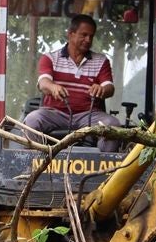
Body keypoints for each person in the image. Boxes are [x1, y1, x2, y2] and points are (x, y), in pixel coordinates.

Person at [22, 13, 122, 152]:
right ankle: (38, 163)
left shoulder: (101, 61)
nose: (88, 40)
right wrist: (53, 87)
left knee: (113, 126)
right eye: (84, 35)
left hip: (89, 115)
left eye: (91, 36)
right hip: (55, 114)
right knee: (32, 120)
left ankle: (103, 165)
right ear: (70, 34)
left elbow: (109, 88)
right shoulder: (50, 58)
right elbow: (43, 83)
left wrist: (102, 89)